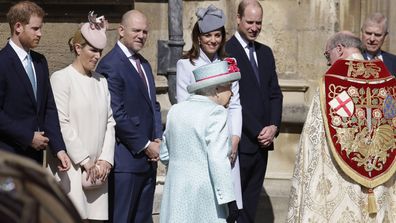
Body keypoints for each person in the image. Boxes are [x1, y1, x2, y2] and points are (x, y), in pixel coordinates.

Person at [287, 31, 396, 222]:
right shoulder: (388, 83)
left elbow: (312, 143)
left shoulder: (328, 86)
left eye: (327, 55)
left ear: (339, 49)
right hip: (381, 182)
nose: (328, 63)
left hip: (342, 184)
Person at [46, 12, 115, 221]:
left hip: (97, 173)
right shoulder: (61, 78)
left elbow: (110, 122)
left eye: (100, 51)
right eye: (92, 49)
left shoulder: (101, 81)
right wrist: (85, 160)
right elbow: (61, 122)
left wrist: (105, 160)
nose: (97, 55)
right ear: (78, 48)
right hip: (71, 171)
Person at [96, 10, 162, 223]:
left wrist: (158, 139)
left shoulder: (144, 63)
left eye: (145, 31)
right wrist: (145, 144)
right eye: (136, 30)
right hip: (126, 161)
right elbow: (117, 114)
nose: (141, 35)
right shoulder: (110, 64)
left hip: (148, 161)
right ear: (121, 31)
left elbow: (154, 106)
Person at [176, 4, 243, 209]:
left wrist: (234, 140)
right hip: (199, 140)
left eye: (217, 35)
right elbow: (183, 105)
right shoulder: (186, 65)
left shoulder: (229, 63)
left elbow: (235, 105)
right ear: (198, 37)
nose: (213, 40)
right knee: (203, 202)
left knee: (227, 203)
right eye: (207, 35)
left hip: (227, 139)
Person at [160, 60, 240, 223]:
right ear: (217, 90)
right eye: (229, 87)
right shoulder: (215, 113)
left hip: (175, 193)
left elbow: (164, 155)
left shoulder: (176, 110)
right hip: (204, 195)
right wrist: (229, 200)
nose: (231, 93)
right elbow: (217, 159)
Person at [225, 1, 283, 222]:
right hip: (241, 142)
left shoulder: (266, 52)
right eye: (249, 22)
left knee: (251, 206)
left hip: (263, 144)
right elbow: (232, 99)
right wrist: (259, 129)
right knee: (234, 208)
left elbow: (275, 94)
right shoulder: (227, 51)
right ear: (238, 19)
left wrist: (274, 127)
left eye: (258, 22)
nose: (254, 27)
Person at [0, 1, 70, 170]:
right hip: (9, 158)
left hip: (36, 160)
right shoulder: (2, 62)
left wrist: (59, 148)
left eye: (41, 28)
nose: (40, 33)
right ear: (18, 27)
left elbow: (49, 108)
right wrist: (28, 137)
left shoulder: (40, 62)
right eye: (35, 28)